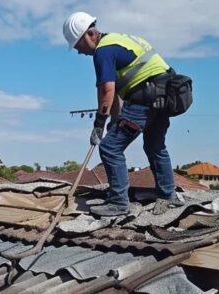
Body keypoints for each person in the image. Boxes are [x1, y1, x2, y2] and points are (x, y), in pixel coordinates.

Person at [64, 11, 183, 217]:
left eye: (78, 45)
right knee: (155, 146)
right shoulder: (120, 41)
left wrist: (99, 124)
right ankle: (168, 194)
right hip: (162, 97)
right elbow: (118, 92)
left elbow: (106, 90)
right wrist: (115, 119)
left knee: (110, 148)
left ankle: (119, 202)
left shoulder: (103, 51)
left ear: (87, 35)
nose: (79, 52)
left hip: (144, 98)